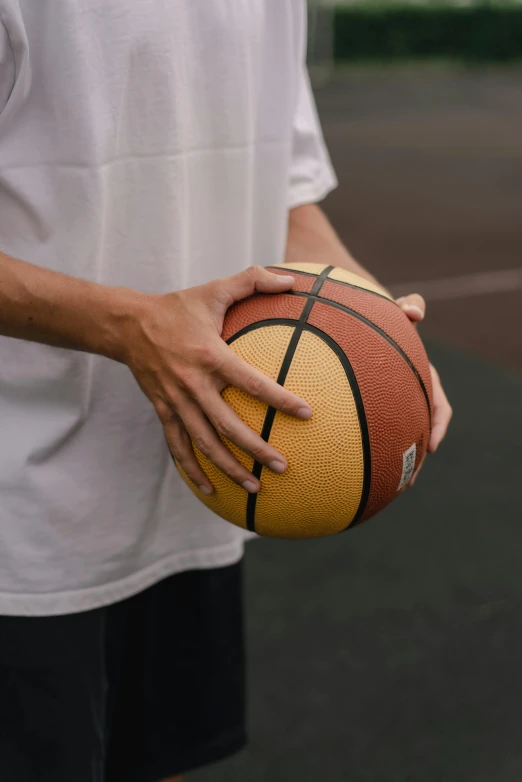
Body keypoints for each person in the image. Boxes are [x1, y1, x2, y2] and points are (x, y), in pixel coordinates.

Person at [0, 2, 452, 781]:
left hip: (205, 478)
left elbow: (288, 199)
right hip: (23, 515)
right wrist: (132, 325)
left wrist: (385, 332)